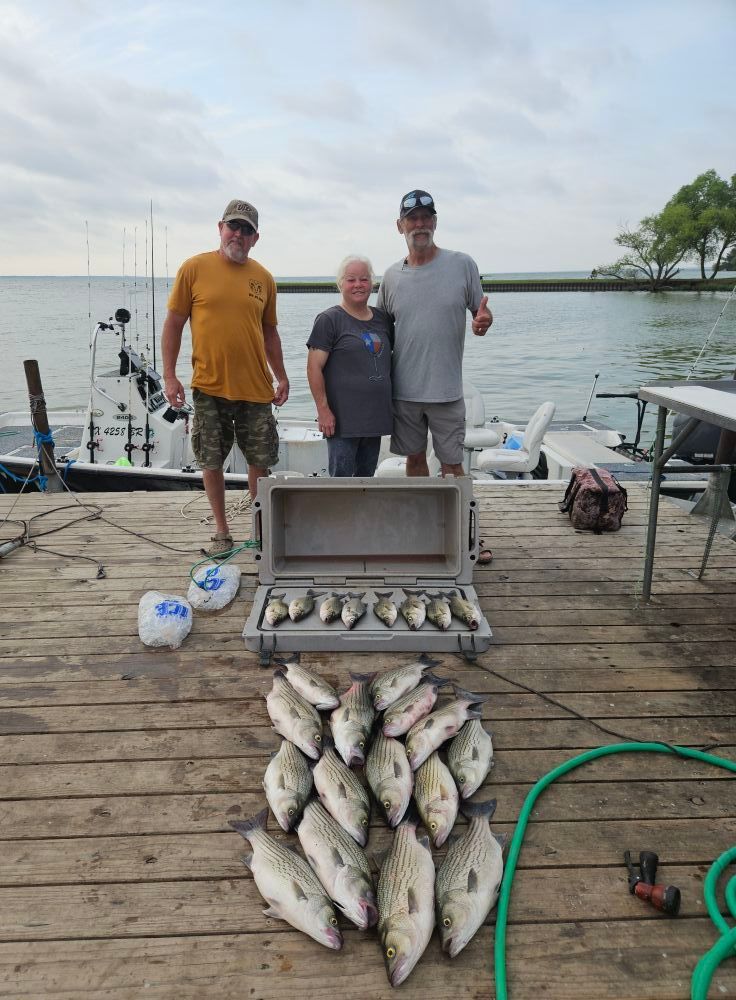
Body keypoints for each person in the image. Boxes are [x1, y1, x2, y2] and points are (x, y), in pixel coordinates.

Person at [161, 199, 289, 556]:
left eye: (246, 229)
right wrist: (170, 377)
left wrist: (281, 376)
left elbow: (270, 334)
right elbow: (173, 324)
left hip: (255, 389)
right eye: (233, 226)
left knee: (260, 461)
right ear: (220, 228)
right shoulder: (194, 268)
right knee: (211, 460)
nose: (239, 234)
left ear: (255, 237)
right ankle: (221, 530)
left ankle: (261, 529)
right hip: (209, 388)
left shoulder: (264, 278)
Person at [376, 188, 494, 562]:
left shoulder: (462, 264)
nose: (420, 224)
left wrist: (483, 323)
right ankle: (424, 531)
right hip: (405, 393)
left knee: (453, 465)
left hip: (446, 391)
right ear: (400, 226)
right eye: (412, 218)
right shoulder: (391, 277)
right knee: (414, 462)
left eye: (427, 217)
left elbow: (482, 316)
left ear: (436, 222)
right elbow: (379, 333)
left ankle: (465, 535)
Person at [306, 255, 393, 476]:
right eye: (351, 279)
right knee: (341, 484)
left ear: (372, 283)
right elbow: (313, 368)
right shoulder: (329, 320)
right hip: (343, 423)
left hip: (375, 419)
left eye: (363, 279)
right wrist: (323, 410)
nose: (358, 285)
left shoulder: (383, 319)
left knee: (365, 481)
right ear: (340, 284)